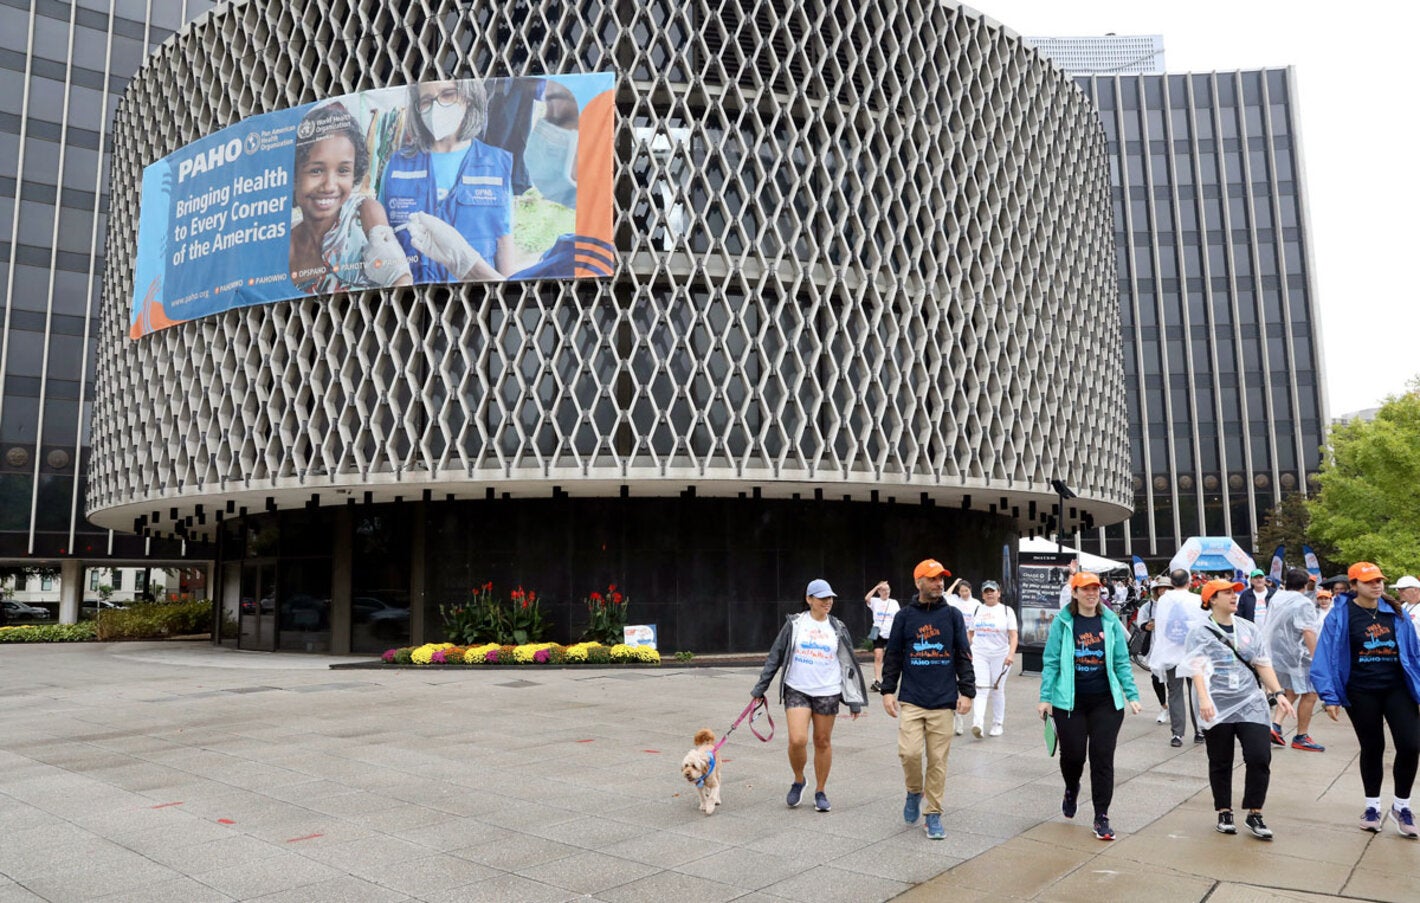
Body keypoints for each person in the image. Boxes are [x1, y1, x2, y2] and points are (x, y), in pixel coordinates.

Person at [1311, 562, 1420, 837]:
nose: (1377, 585)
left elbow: (1414, 653)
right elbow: (1324, 655)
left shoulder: (1396, 613)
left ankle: (1401, 807)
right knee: (1372, 746)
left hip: (1398, 688)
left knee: (1410, 744)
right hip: (1361, 691)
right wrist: (1329, 696)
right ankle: (1372, 807)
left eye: (1379, 580)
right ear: (1354, 585)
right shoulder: (1341, 615)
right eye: (1369, 581)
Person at [1183, 578, 1294, 840]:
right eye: (1227, 593)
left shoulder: (1248, 628)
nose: (1234, 596)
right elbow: (1195, 667)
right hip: (1216, 704)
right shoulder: (1199, 631)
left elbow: (1262, 662)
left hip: (1249, 702)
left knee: (1259, 756)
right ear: (1211, 599)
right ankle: (1224, 811)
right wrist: (1203, 699)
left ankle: (1255, 812)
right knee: (1220, 760)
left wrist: (1278, 693)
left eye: (1234, 592)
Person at [1038, 571, 1142, 842]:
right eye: (1085, 589)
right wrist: (1045, 697)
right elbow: (1050, 662)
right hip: (1069, 703)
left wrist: (1131, 694)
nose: (1091, 593)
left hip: (1106, 704)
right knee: (1073, 757)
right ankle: (1071, 788)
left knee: (1102, 758)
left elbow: (1121, 661)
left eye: (1095, 588)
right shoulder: (1063, 622)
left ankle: (1101, 816)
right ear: (1074, 593)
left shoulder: (1109, 622)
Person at [380, 79, 513, 282]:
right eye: (426, 100)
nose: (436, 107)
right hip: (414, 304)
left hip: (476, 299)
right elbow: (383, 241)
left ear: (468, 98)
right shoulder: (397, 166)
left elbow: (504, 244)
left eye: (448, 95)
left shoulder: (496, 164)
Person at [881, 559, 975, 840]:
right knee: (908, 753)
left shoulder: (953, 616)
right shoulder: (905, 617)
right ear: (918, 582)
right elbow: (893, 656)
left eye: (941, 579)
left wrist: (967, 691)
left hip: (944, 700)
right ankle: (913, 791)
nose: (939, 584)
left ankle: (933, 813)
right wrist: (888, 690)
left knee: (937, 761)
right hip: (911, 699)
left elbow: (963, 655)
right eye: (933, 579)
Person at [289, 101, 412, 294]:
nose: (330, 185)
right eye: (316, 170)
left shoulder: (363, 212)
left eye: (343, 170)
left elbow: (398, 273)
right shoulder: (283, 243)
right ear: (295, 175)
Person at [1261, 568, 1325, 751]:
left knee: (1289, 691)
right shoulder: (1303, 603)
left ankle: (1276, 726)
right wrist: (1316, 658)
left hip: (1279, 655)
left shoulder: (1277, 598)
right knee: (1310, 694)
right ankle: (1301, 736)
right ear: (1305, 584)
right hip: (1299, 656)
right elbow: (1308, 631)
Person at [1148, 568, 1208, 746]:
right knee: (1196, 692)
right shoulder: (1196, 600)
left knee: (1175, 693)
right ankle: (1200, 730)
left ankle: (1177, 734)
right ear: (1189, 582)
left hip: (1171, 654)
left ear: (1172, 583)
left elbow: (1161, 627)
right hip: (1193, 653)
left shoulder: (1164, 600)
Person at [969, 580, 1018, 737]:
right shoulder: (978, 609)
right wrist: (969, 648)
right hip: (980, 654)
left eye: (992, 590)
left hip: (1000, 655)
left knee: (997, 689)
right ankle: (978, 724)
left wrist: (1011, 654)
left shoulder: (1006, 610)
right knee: (981, 688)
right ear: (982, 595)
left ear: (999, 592)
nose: (989, 593)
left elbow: (1013, 635)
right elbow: (970, 632)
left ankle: (998, 724)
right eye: (986, 591)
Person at [1137, 577, 1172, 723]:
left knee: (1172, 679)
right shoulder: (1149, 606)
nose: (1163, 591)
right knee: (1156, 678)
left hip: (1171, 646)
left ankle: (1174, 706)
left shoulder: (1175, 605)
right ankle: (1164, 706)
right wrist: (1147, 626)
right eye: (1161, 588)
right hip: (1154, 645)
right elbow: (1141, 623)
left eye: (1167, 588)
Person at [947, 579, 979, 736]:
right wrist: (955, 582)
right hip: (953, 644)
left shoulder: (976, 604)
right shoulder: (953, 601)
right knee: (951, 681)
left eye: (966, 590)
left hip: (968, 645)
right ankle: (955, 719)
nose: (964, 593)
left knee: (964, 679)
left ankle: (960, 714)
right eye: (961, 590)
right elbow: (946, 594)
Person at [864, 580, 900, 691]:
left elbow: (898, 617)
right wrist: (876, 586)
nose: (886, 592)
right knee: (878, 655)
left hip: (890, 632)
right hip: (878, 632)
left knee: (890, 657)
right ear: (879, 591)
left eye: (888, 589)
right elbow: (867, 598)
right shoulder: (875, 601)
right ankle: (878, 680)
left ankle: (888, 680)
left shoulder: (894, 603)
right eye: (883, 590)